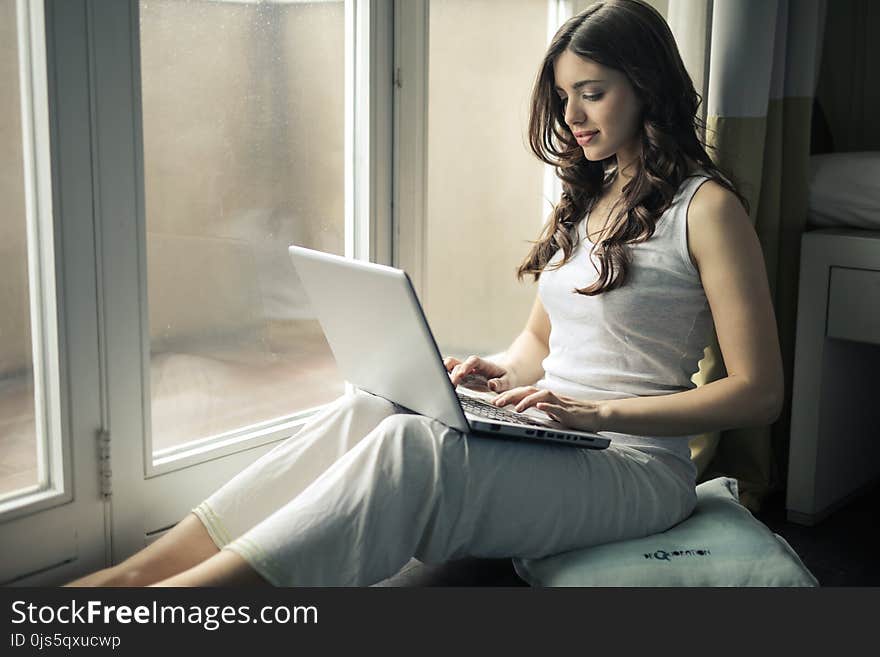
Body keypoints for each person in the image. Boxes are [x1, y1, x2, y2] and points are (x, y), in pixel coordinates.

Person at [66, 0, 783, 587]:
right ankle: (139, 573)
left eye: (591, 94)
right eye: (564, 97)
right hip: (562, 431)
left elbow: (759, 392)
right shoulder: (588, 199)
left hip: (636, 465)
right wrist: (494, 374)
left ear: (647, 85)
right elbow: (539, 343)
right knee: (374, 406)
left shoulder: (708, 209)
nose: (572, 116)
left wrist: (596, 408)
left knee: (416, 447)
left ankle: (183, 603)